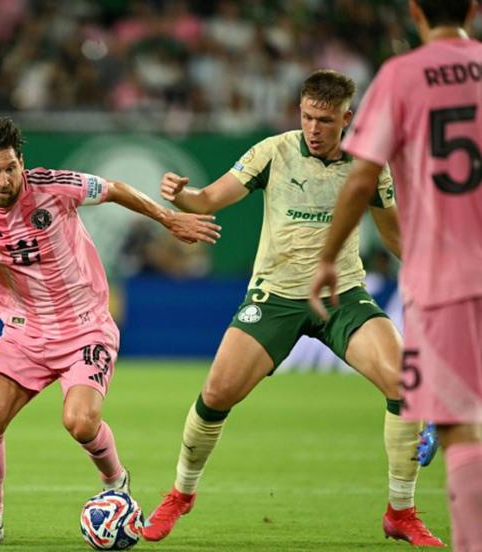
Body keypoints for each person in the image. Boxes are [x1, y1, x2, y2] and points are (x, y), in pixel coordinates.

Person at [143, 69, 444, 547]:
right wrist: (180, 194)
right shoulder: (273, 152)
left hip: (343, 296)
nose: (313, 128)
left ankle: (400, 512)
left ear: (347, 117)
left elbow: (393, 235)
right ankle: (181, 494)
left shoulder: (370, 164)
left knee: (403, 383)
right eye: (307, 116)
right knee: (217, 392)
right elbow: (207, 200)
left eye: (325, 120)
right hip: (276, 296)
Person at [0, 116, 220, 545]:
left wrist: (168, 219)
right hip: (24, 334)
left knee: (80, 422)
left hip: (85, 327)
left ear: (21, 162)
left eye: (10, 167)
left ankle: (116, 480)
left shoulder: (54, 186)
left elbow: (115, 188)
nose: (4, 179)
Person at [309, 2, 482, 550]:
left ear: (414, 12)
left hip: (444, 275)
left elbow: (361, 178)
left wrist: (328, 256)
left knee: (457, 426)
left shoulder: (403, 76)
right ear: (474, 9)